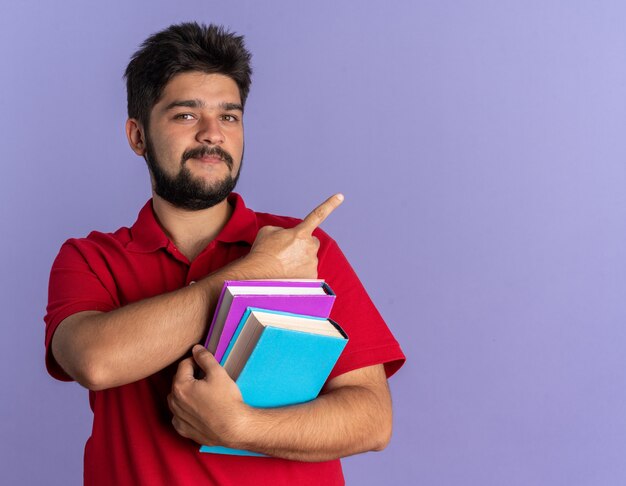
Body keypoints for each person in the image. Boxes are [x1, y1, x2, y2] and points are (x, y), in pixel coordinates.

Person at [44, 22, 405, 486]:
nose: (213, 134)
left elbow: (372, 418)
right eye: (186, 116)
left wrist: (241, 427)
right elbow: (95, 361)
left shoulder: (303, 249)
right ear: (138, 136)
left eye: (229, 116)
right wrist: (257, 273)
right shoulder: (91, 258)